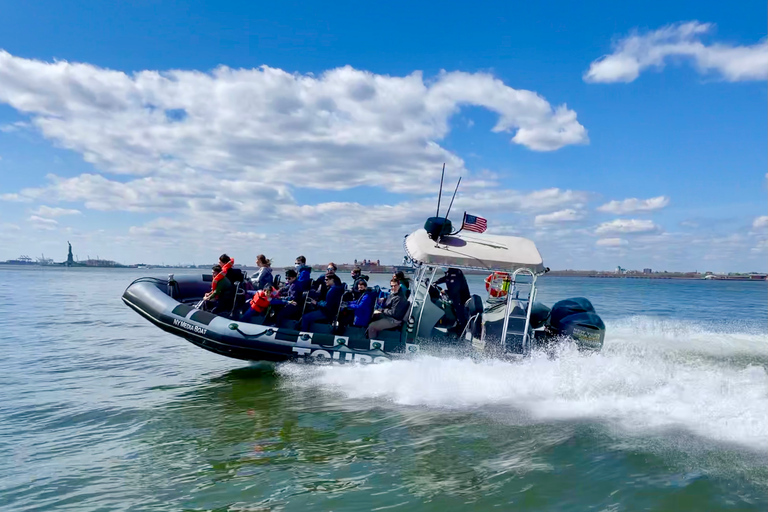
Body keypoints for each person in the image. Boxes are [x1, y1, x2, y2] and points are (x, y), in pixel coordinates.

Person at [434, 267, 471, 334]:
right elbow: (446, 278)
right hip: (455, 298)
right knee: (455, 313)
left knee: (461, 316)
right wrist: (436, 282)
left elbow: (455, 288)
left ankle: (462, 334)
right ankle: (455, 329)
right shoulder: (450, 272)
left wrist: (445, 291)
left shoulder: (456, 273)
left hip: (461, 299)